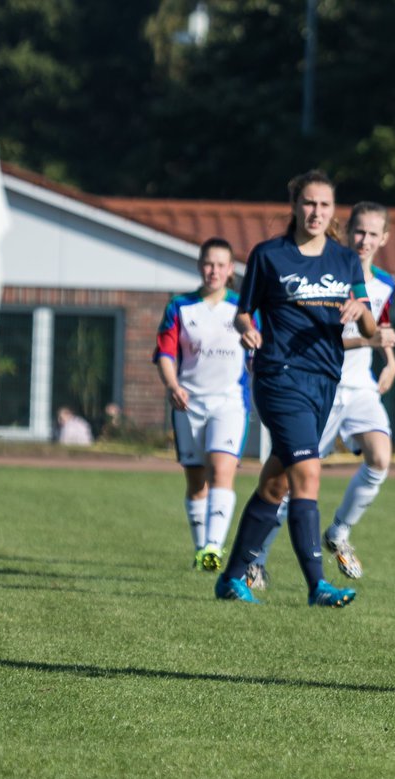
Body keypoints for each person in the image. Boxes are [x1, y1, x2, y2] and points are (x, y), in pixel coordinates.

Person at [212, 169, 376, 606]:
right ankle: (317, 585)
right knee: (308, 473)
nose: (316, 211)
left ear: (332, 210)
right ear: (295, 206)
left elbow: (373, 327)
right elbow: (242, 313)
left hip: (324, 379)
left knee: (275, 484)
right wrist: (247, 329)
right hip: (278, 376)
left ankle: (230, 579)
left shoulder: (345, 260)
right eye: (309, 203)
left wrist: (361, 308)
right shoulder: (269, 255)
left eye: (324, 204)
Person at [244, 202, 395, 591]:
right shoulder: (328, 272)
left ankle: (339, 532)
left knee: (380, 456)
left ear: (384, 239)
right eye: (358, 231)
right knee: (288, 479)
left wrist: (391, 360)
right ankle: (254, 560)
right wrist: (370, 338)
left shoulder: (384, 284)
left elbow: (380, 326)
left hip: (360, 386)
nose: (364, 240)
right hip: (316, 385)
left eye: (372, 234)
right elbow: (326, 336)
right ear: (347, 233)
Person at [153, 238, 250, 572]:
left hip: (230, 402)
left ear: (230, 270)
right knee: (196, 482)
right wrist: (173, 385)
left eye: (222, 264)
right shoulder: (179, 307)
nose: (214, 270)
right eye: (209, 263)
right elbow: (165, 354)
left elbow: (259, 351)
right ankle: (200, 549)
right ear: (199, 265)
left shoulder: (244, 308)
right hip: (188, 404)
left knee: (222, 470)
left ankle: (213, 547)